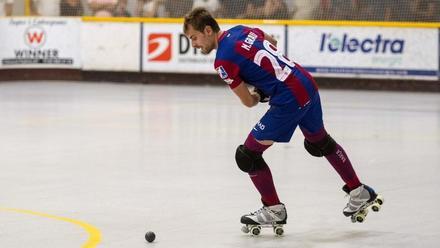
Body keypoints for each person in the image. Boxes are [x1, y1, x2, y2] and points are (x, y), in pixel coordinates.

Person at [183, 7, 382, 227]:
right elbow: (272, 42)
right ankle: (358, 191)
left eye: (194, 38)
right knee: (320, 142)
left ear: (208, 30)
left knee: (248, 155)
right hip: (305, 83)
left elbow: (249, 102)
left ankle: (273, 209)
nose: (194, 44)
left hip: (289, 99)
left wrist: (259, 92)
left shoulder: (223, 61)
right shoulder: (240, 30)